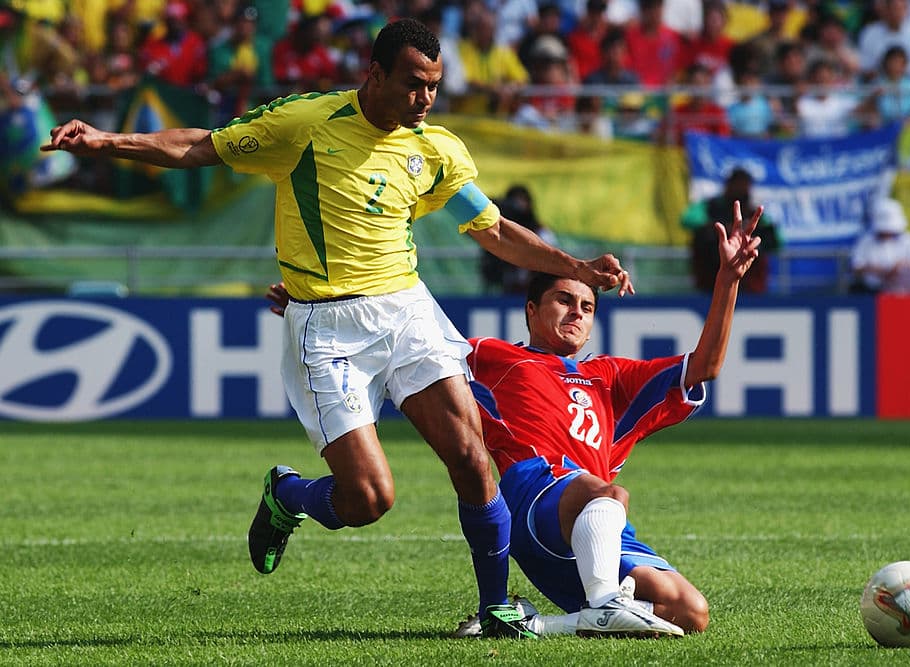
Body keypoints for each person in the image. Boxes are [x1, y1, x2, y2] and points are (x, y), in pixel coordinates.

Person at [42, 18, 633, 639]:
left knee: (470, 457)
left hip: (407, 309)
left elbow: (493, 230)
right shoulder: (305, 123)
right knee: (369, 499)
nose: (425, 99)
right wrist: (107, 141)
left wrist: (575, 267)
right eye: (413, 84)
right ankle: (289, 495)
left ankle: (496, 610)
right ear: (374, 74)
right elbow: (202, 146)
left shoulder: (435, 149)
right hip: (327, 328)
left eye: (434, 86)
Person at [456, 200, 763, 637]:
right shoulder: (494, 356)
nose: (576, 313)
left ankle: (536, 625)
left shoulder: (610, 376)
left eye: (587, 307)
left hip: (592, 526)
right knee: (608, 491)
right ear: (531, 310)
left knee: (689, 611)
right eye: (564, 300)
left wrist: (728, 280)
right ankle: (605, 601)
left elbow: (704, 367)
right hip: (533, 501)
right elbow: (423, 357)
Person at [681, 167, 780, 294]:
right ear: (728, 185)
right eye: (737, 184)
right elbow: (687, 220)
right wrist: (722, 228)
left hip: (750, 290)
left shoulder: (755, 214)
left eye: (744, 185)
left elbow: (778, 240)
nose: (740, 188)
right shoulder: (709, 207)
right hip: (709, 285)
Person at [849, 198, 910, 294]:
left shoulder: (909, 240)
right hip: (870, 292)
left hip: (902, 292)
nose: (888, 233)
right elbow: (856, 266)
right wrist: (880, 271)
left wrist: (900, 266)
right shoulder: (866, 241)